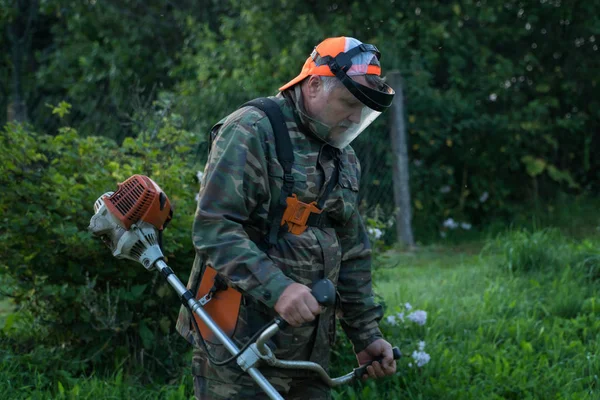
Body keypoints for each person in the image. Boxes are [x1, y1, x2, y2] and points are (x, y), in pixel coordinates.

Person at [176, 36, 397, 400]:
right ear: (313, 85)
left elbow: (352, 251)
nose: (354, 118)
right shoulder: (253, 129)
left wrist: (366, 335)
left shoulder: (343, 155)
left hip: (310, 355)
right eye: (348, 103)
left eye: (363, 110)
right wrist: (278, 289)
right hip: (240, 344)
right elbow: (213, 228)